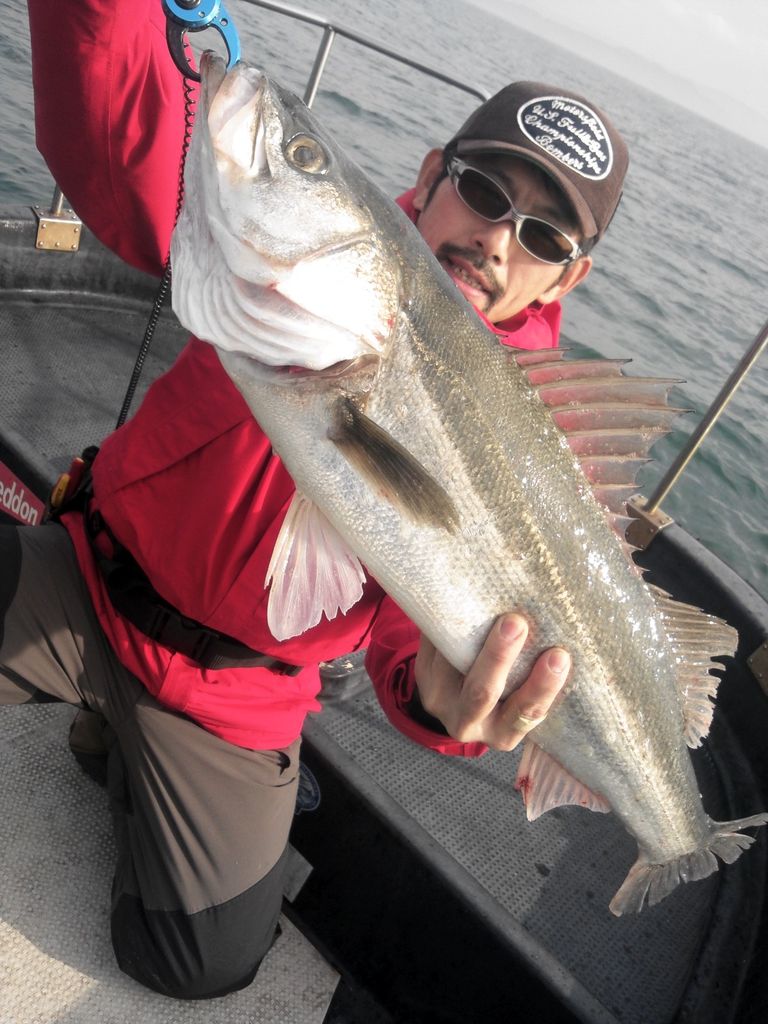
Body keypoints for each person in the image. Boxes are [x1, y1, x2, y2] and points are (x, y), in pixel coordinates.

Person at [1, 0, 628, 1001]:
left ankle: (130, 749)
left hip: (238, 699)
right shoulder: (294, 239)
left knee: (199, 960)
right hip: (87, 578)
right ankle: (111, 724)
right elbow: (125, 139)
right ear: (431, 175)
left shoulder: (541, 460)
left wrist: (443, 700)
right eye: (482, 190)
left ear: (570, 276)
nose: (498, 240)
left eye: (544, 235)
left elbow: (405, 657)